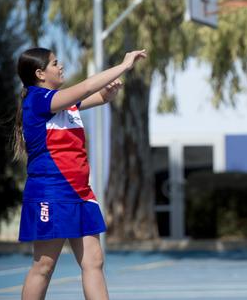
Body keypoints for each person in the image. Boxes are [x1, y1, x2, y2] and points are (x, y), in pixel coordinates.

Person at [13, 47, 147, 300]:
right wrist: (123, 65)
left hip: (80, 192)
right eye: (55, 63)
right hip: (51, 193)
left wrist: (107, 94)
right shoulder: (38, 100)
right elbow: (85, 88)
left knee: (94, 261)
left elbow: (94, 97)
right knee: (44, 265)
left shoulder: (60, 101)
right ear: (40, 73)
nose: (61, 66)